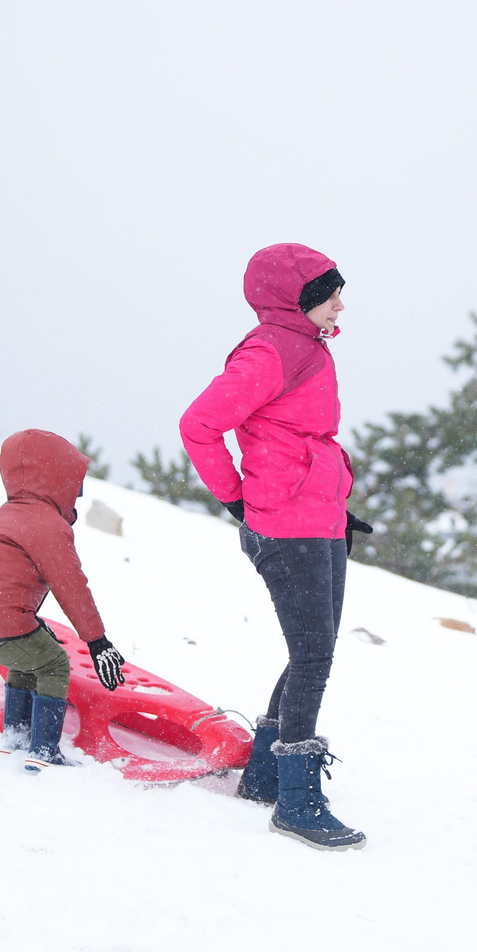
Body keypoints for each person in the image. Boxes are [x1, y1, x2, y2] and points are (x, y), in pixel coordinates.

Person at [180, 243, 371, 852]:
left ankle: (265, 775)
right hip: (286, 528)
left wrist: (334, 507)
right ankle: (296, 799)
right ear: (297, 299)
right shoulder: (271, 350)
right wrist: (236, 499)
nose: (341, 303)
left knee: (312, 650)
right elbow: (199, 424)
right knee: (313, 657)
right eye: (329, 292)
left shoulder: (303, 347)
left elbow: (297, 441)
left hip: (316, 520)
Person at [0, 429, 126, 773]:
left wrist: (30, 621)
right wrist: (97, 641)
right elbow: (71, 585)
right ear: (57, 478)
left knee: (28, 655)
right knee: (52, 662)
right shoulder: (46, 523)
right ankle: (43, 750)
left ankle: (15, 737)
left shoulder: (9, 513)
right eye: (75, 480)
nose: (80, 491)